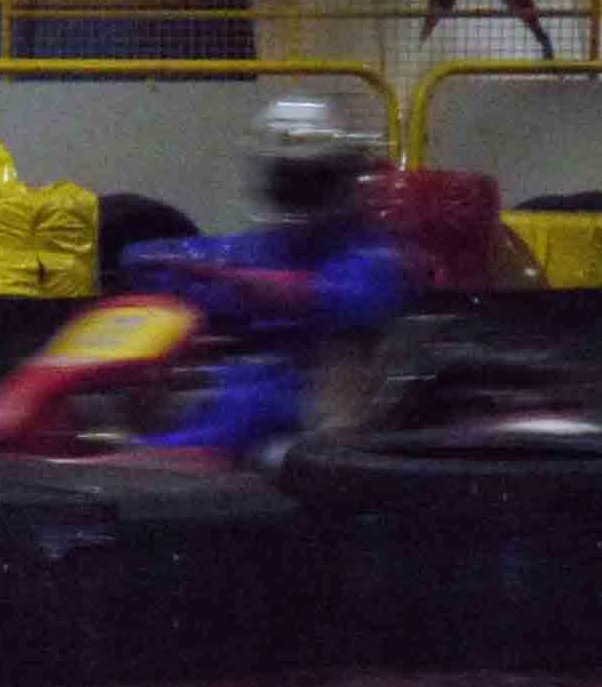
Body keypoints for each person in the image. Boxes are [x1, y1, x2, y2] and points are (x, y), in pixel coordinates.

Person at [136, 94, 421, 456]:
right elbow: (147, 259)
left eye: (312, 179)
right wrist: (164, 269)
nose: (299, 189)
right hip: (241, 387)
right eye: (289, 178)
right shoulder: (260, 247)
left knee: (256, 415)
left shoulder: (371, 254)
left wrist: (245, 285)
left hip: (311, 407)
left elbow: (350, 297)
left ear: (341, 175)